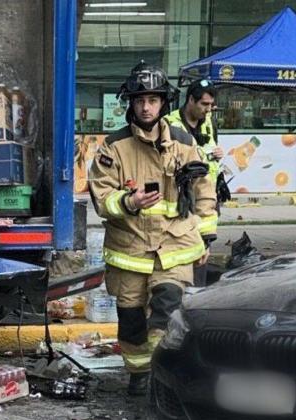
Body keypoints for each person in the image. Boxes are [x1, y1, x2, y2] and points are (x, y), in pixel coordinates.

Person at [88, 61, 218, 395]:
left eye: (153, 100)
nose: (146, 107)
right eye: (139, 100)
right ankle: (138, 374)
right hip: (129, 250)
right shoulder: (113, 148)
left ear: (163, 103)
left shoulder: (183, 142)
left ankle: (162, 375)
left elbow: (204, 189)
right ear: (130, 103)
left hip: (175, 248)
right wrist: (129, 202)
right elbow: (102, 197)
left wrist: (206, 236)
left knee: (165, 311)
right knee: (131, 322)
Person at [165, 79, 224, 287]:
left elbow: (209, 153)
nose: (208, 110)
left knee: (202, 248)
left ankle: (194, 290)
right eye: (204, 104)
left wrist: (217, 155)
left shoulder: (207, 123)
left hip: (207, 196)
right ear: (191, 99)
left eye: (210, 105)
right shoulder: (170, 124)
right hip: (182, 198)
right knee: (181, 247)